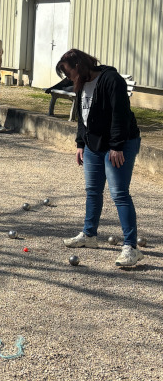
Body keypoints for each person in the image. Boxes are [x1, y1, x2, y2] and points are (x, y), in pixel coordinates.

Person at [57, 49, 143, 267]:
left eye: (68, 73)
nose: (68, 78)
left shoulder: (111, 80)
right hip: (93, 145)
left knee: (119, 193)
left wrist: (116, 146)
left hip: (120, 144)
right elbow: (82, 116)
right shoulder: (81, 83)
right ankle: (89, 235)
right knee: (93, 191)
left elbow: (120, 114)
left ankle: (131, 247)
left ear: (78, 66)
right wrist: (80, 143)